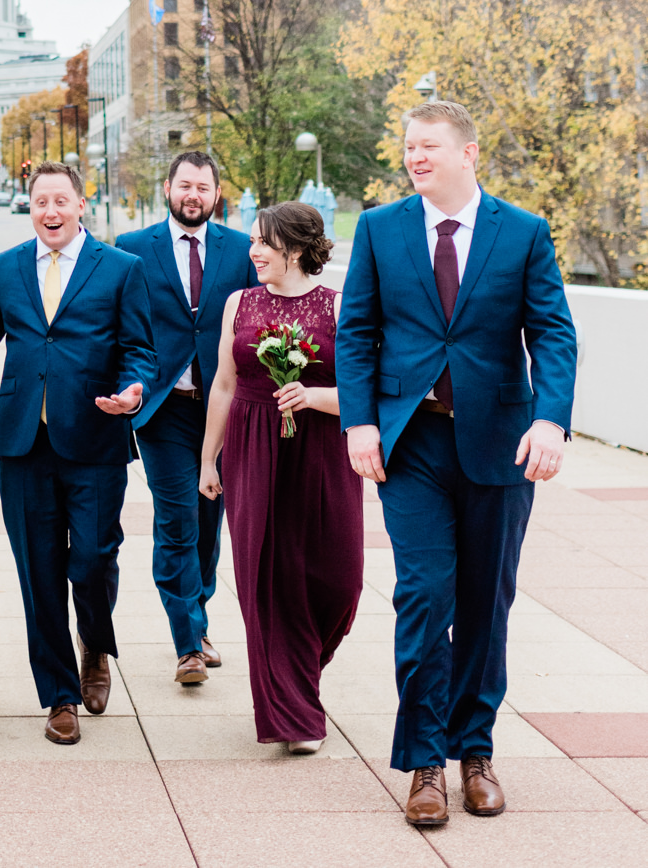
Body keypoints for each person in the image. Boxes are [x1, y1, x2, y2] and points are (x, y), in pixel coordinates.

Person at [336, 100, 578, 826]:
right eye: (409, 147)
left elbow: (554, 333)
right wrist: (359, 423)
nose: (416, 157)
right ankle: (424, 767)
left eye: (430, 146)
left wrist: (550, 418)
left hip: (499, 444)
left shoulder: (524, 233)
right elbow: (356, 332)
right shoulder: (379, 230)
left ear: (468, 153)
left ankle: (476, 752)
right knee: (423, 597)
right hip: (412, 445)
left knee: (483, 604)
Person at [0, 162, 156, 746]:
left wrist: (134, 390)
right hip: (23, 443)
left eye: (62, 200)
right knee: (38, 574)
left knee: (91, 559)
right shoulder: (4, 267)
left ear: (82, 204)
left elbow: (140, 348)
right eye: (40, 202)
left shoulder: (121, 269)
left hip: (96, 438)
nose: (51, 212)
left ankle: (95, 642)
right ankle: (58, 694)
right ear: (29, 207)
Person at [200, 201, 362, 753]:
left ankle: (298, 674)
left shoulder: (341, 307)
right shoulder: (237, 304)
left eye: (263, 243)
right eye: (251, 242)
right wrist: (208, 459)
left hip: (322, 453)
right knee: (266, 578)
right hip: (252, 448)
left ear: (294, 247)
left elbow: (372, 395)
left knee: (340, 578)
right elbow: (223, 385)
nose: (253, 252)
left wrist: (315, 396)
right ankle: (293, 711)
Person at [117, 150, 257, 685]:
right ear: (168, 189)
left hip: (225, 411)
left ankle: (197, 615)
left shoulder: (242, 251)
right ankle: (187, 642)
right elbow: (122, 329)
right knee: (175, 519)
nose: (192, 195)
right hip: (164, 409)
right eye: (184, 185)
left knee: (208, 521)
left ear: (216, 194)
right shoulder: (132, 250)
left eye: (203, 187)